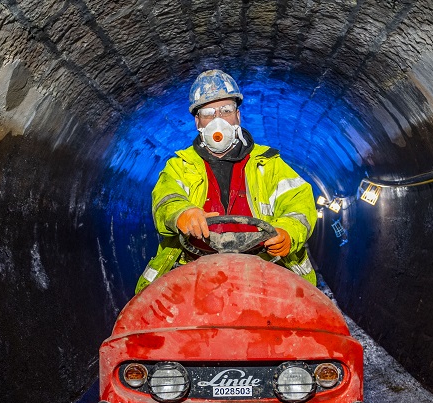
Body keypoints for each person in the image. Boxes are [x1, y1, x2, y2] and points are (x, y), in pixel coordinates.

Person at [135, 69, 317, 294]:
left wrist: (288, 232)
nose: (217, 120)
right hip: (193, 278)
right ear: (197, 122)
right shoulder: (180, 166)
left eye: (226, 110)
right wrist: (182, 213)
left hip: (266, 276)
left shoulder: (268, 164)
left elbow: (299, 203)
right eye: (208, 113)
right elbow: (165, 198)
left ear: (238, 116)